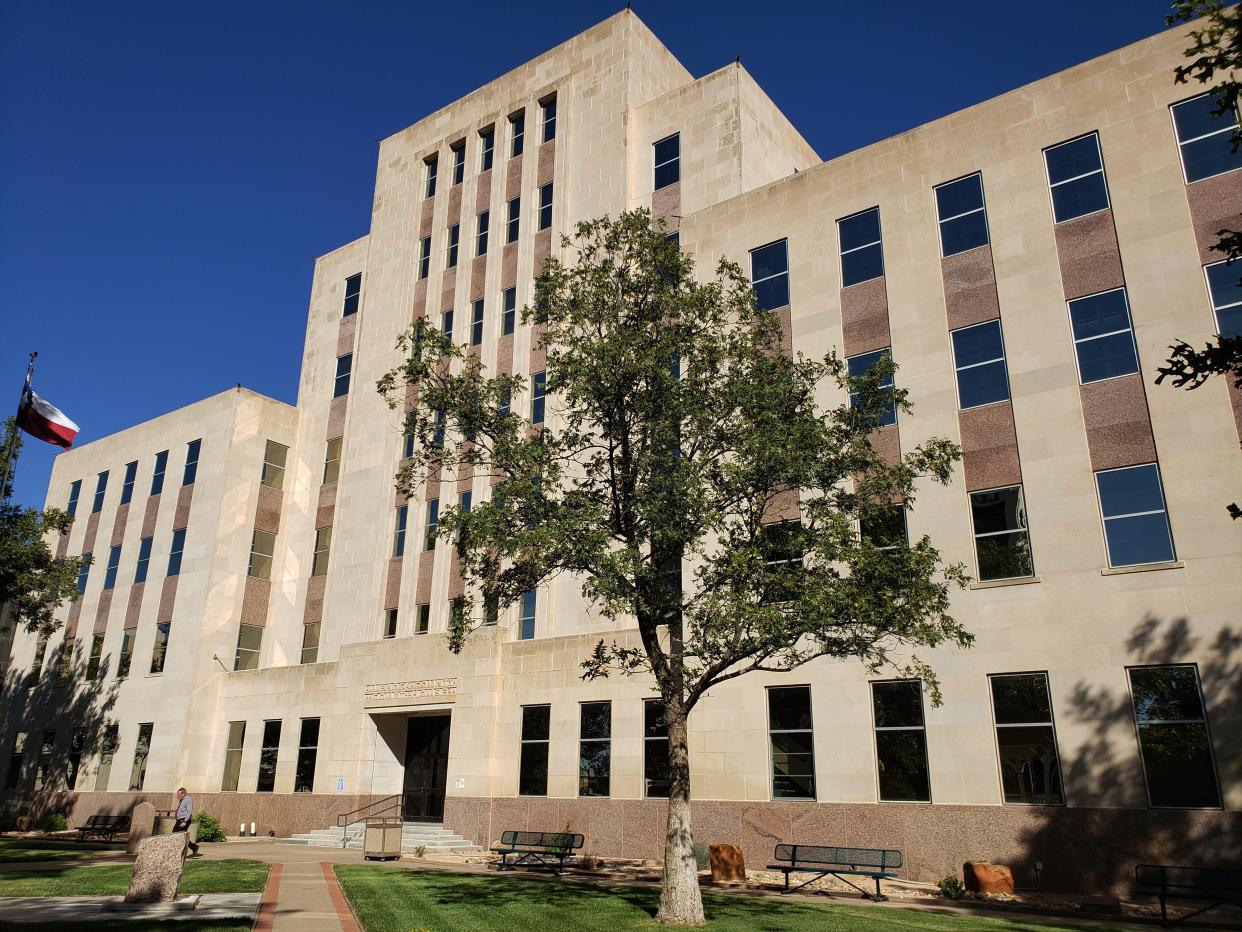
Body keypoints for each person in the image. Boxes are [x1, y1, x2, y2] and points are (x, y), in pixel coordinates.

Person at [173, 787, 199, 856]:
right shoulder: (182, 799)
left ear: (183, 794)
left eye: (179, 795)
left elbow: (189, 811)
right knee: (179, 836)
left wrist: (185, 821)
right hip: (179, 820)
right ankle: (193, 847)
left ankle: (191, 848)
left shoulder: (188, 799)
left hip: (184, 820)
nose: (178, 796)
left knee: (177, 835)